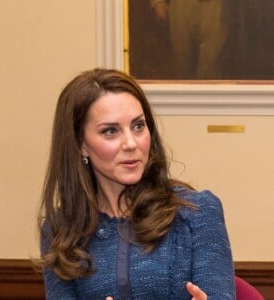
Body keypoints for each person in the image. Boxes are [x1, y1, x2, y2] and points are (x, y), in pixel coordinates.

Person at [38, 68, 235, 299]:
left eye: (138, 126)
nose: (131, 143)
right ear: (81, 143)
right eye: (110, 131)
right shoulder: (60, 232)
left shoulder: (198, 213)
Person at [151, 0, 230, 79]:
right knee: (181, 65)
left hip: (217, 6)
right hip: (182, 5)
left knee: (210, 67)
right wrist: (158, 2)